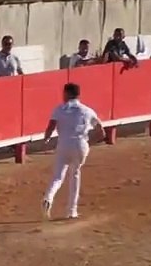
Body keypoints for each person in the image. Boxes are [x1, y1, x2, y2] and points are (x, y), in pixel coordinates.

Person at [41, 82, 107, 221]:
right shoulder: (87, 110)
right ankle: (72, 211)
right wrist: (88, 143)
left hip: (63, 143)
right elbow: (101, 131)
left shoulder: (59, 109)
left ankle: (48, 197)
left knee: (58, 176)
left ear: (67, 93)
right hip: (80, 144)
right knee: (75, 174)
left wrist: (46, 140)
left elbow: (51, 127)